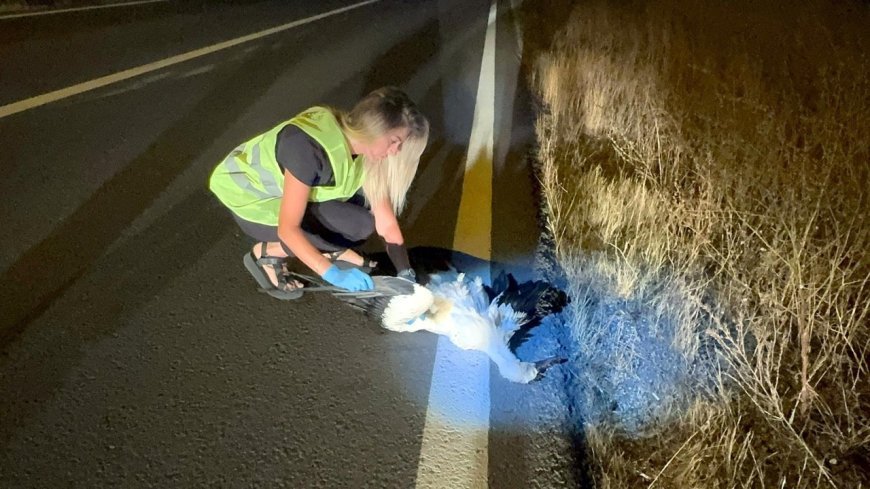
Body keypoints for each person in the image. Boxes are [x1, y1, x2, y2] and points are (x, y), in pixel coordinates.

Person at [208, 86, 429, 300]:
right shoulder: (306, 149)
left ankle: (330, 249)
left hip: (285, 195)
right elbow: (289, 229)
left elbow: (385, 222)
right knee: (324, 234)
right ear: (374, 129)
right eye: (394, 142)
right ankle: (268, 254)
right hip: (252, 201)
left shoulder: (362, 150)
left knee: (360, 223)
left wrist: (405, 273)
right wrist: (332, 274)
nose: (396, 152)